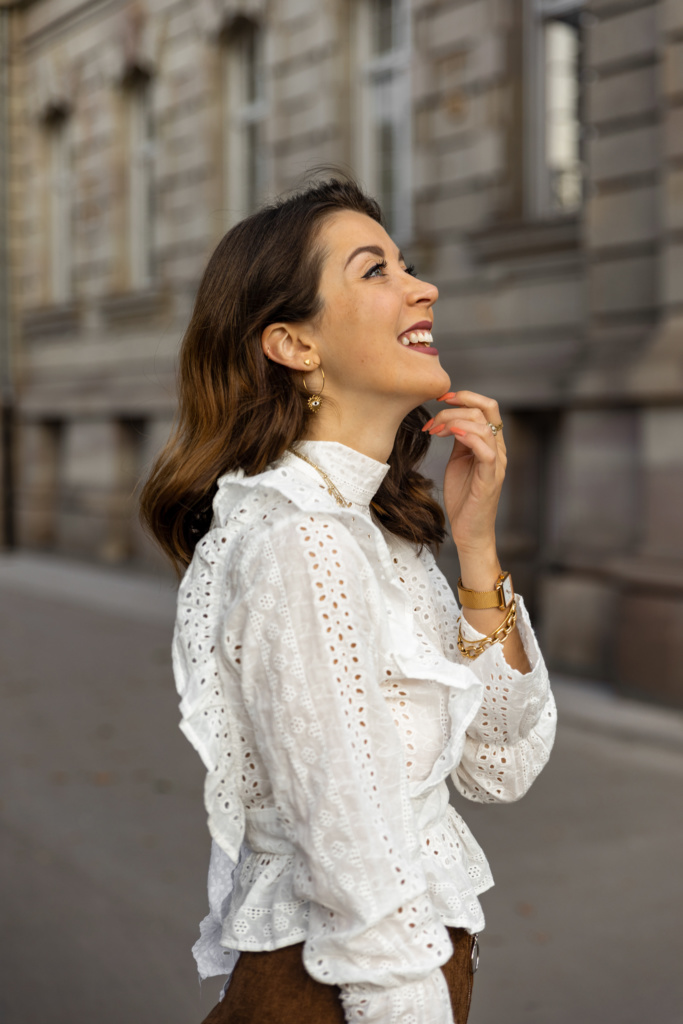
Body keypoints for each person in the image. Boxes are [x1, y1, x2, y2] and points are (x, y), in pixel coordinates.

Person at [140, 177, 556, 1024]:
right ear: (293, 344)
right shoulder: (298, 542)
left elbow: (499, 765)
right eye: (375, 271)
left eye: (407, 263)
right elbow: (355, 871)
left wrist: (475, 549)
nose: (422, 286)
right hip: (340, 996)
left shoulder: (376, 532)